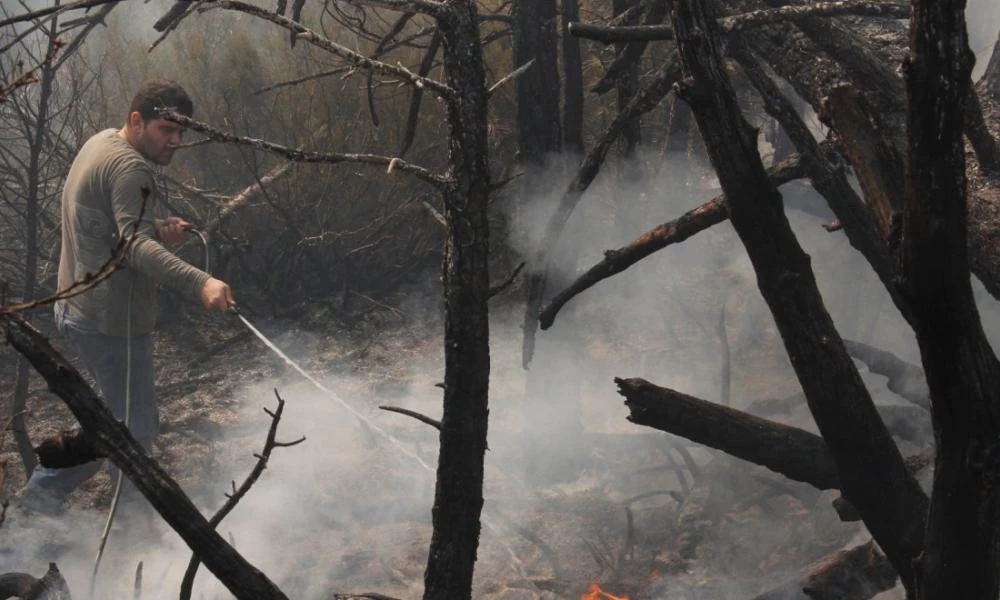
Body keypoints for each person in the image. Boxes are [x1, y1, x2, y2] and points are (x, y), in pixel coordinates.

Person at [18, 78, 235, 517]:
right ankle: (38, 503)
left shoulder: (102, 142)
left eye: (181, 132)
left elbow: (110, 230)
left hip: (77, 308)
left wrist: (153, 231)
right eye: (165, 130)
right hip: (109, 323)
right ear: (137, 120)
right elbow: (133, 246)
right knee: (126, 429)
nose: (175, 141)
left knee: (118, 418)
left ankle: (124, 507)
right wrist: (201, 283)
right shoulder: (131, 169)